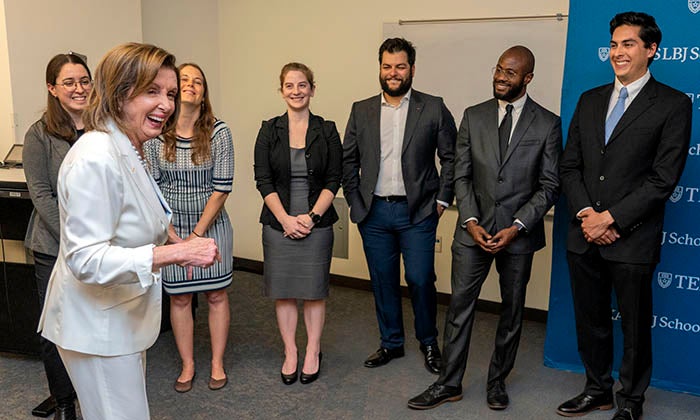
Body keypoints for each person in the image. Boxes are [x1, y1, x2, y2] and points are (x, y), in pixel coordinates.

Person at [38, 43, 219, 420]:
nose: (167, 104)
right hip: (96, 327)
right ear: (119, 94)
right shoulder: (96, 158)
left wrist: (177, 239)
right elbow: (86, 259)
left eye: (170, 93)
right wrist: (178, 254)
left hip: (117, 320)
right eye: (152, 92)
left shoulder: (129, 148)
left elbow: (144, 212)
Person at [408, 45, 561, 410]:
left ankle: (497, 382)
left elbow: (550, 184)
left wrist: (517, 226)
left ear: (528, 78)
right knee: (459, 308)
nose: (500, 77)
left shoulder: (547, 123)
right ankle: (449, 383)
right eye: (498, 69)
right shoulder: (472, 116)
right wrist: (471, 221)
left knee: (511, 312)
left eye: (510, 73)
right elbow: (461, 175)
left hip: (518, 237)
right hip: (471, 233)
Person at [557, 12, 692, 420]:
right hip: (584, 234)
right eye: (614, 44)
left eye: (628, 44)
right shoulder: (590, 99)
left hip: (631, 239)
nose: (617, 52)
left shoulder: (673, 104)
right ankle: (596, 389)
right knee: (591, 320)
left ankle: (631, 401)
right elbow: (570, 167)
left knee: (633, 329)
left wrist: (611, 219)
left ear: (651, 50)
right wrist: (587, 215)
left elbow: (662, 178)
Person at [342, 37, 456, 374]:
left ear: (412, 69)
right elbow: (348, 161)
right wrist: (355, 200)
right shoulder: (361, 110)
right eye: (387, 66)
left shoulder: (433, 107)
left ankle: (429, 342)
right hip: (374, 212)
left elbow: (451, 157)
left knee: (420, 278)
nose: (393, 73)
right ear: (380, 68)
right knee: (383, 280)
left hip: (418, 211)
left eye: (400, 66)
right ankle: (391, 342)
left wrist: (442, 199)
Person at [144, 63, 234, 393]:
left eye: (198, 81)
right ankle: (188, 364)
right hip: (170, 229)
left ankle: (216, 362)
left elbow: (222, 188)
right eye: (185, 80)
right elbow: (151, 189)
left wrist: (196, 236)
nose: (192, 85)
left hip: (211, 226)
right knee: (180, 300)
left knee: (216, 294)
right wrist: (173, 238)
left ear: (204, 92)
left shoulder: (218, 131)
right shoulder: (156, 134)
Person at [254, 62, 342, 385]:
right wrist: (285, 219)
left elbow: (335, 178)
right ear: (281, 91)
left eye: (302, 85)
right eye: (289, 86)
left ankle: (313, 351)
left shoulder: (327, 129)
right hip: (278, 225)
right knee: (285, 292)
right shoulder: (268, 129)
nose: (296, 91)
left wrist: (311, 217)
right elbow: (263, 179)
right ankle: (291, 351)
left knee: (314, 291)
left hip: (317, 224)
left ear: (312, 89)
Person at [23, 53, 91, 420]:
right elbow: (41, 194)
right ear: (52, 88)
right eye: (69, 82)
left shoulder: (103, 128)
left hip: (100, 247)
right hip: (54, 247)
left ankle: (91, 393)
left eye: (84, 80)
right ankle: (64, 402)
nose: (79, 89)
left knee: (93, 325)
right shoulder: (39, 134)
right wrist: (75, 238)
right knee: (56, 329)